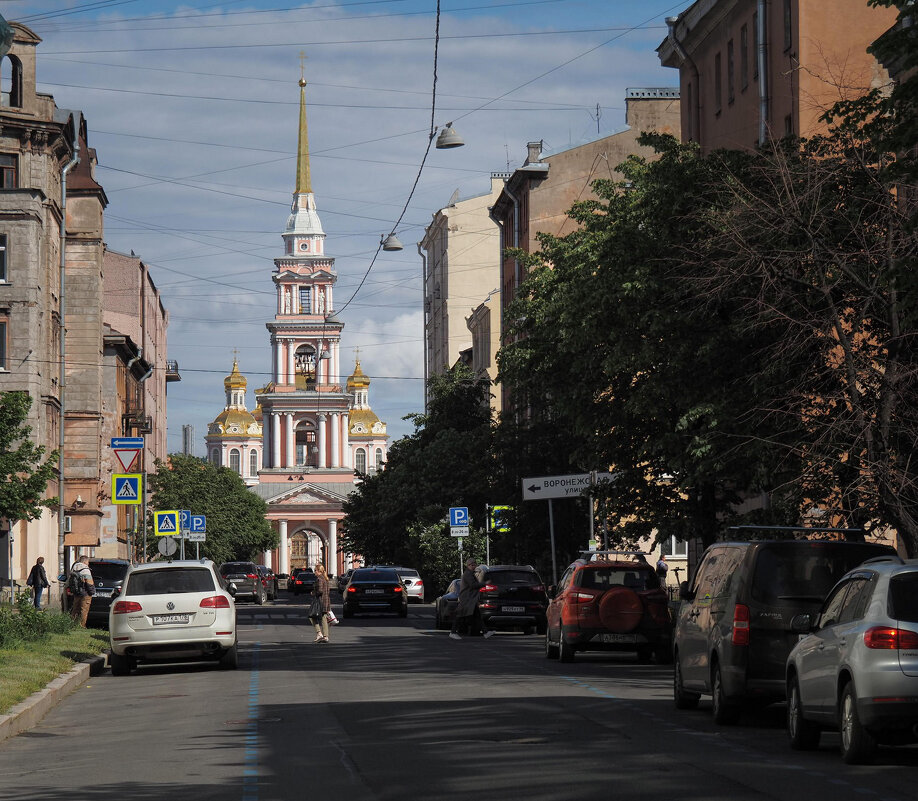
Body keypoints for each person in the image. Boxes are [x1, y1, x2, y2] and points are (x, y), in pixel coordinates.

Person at [450, 558, 494, 640]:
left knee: (477, 616)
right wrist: (485, 583)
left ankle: (486, 632)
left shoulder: (471, 573)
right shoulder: (467, 574)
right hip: (466, 598)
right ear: (468, 565)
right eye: (472, 565)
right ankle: (453, 632)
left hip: (470, 598)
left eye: (475, 564)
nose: (474, 566)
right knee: (460, 615)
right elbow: (473, 585)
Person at [68, 555, 95, 627]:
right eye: (88, 562)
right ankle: (82, 626)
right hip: (85, 593)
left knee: (75, 609)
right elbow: (89, 583)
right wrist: (92, 592)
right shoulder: (86, 570)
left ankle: (72, 624)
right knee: (84, 610)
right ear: (85, 561)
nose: (88, 563)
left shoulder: (74, 568)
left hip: (76, 592)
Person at [310, 563, 331, 643]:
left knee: (312, 616)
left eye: (315, 570)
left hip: (320, 602)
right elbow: (327, 591)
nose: (314, 572)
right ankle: (325, 636)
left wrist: (313, 593)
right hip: (326, 601)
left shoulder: (319, 579)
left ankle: (319, 633)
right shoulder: (326, 579)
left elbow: (320, 591)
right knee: (323, 618)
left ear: (319, 571)